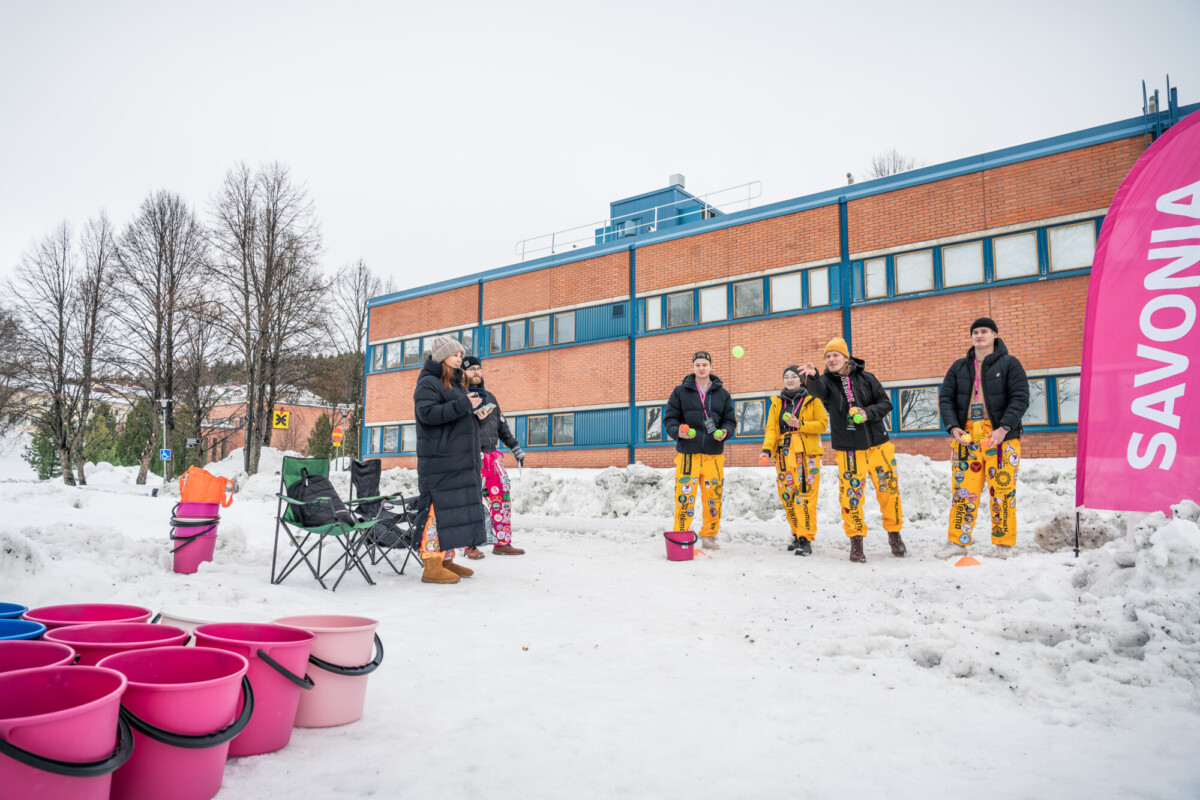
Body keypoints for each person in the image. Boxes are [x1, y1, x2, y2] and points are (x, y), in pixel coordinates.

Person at [801, 338, 906, 563]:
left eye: (835, 355)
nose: (831, 359)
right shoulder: (826, 381)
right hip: (849, 449)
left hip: (879, 445)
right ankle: (856, 540)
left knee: (889, 491)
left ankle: (894, 534)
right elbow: (817, 391)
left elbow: (886, 403)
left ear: (846, 357)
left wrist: (867, 412)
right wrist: (812, 376)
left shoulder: (866, 378)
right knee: (851, 496)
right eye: (827, 356)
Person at [936, 317, 1030, 560]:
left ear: (995, 335)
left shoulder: (1010, 364)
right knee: (963, 492)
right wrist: (953, 428)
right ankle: (957, 541)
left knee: (1002, 490)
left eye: (985, 331)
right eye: (975, 332)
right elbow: (946, 399)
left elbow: (1020, 398)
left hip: (1001, 438)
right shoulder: (958, 367)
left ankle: (1003, 543)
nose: (979, 335)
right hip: (967, 437)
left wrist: (1003, 429)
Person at [412, 335, 488, 584]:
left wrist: (474, 412)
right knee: (437, 511)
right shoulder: (428, 383)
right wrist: (463, 405)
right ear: (443, 356)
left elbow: (454, 413)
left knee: (454, 510)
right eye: (456, 354)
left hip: (456, 460)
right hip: (440, 460)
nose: (460, 358)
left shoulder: (454, 383)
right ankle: (431, 564)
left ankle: (446, 560)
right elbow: (427, 414)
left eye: (460, 354)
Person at [663, 351, 737, 550]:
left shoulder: (722, 393)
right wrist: (678, 432)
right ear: (693, 367)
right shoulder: (680, 391)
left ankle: (709, 535)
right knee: (685, 497)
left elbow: (730, 421)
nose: (701, 368)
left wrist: (725, 432)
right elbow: (670, 419)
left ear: (710, 366)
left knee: (713, 498)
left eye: (705, 364)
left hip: (713, 455)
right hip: (688, 454)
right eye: (698, 365)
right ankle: (680, 533)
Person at [759, 365, 828, 556]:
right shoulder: (776, 404)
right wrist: (767, 450)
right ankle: (797, 533)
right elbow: (772, 429)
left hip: (806, 455)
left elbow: (823, 424)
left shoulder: (812, 400)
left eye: (794, 376)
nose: (789, 380)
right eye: (786, 377)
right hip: (784, 453)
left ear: (801, 380)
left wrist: (801, 425)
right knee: (788, 495)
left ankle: (806, 538)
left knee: (805, 496)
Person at [463, 355, 527, 557]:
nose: (476, 372)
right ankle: (469, 545)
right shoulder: (460, 396)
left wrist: (514, 446)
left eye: (478, 368)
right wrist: (476, 419)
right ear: (463, 373)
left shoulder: (490, 397)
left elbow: (501, 425)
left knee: (501, 498)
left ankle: (502, 542)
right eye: (471, 369)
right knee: (471, 502)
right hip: (471, 457)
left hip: (493, 457)